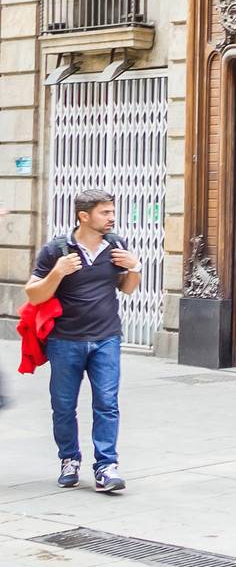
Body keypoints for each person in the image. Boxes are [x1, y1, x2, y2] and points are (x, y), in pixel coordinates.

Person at [25, 189, 142, 492]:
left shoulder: (115, 245)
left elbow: (127, 289)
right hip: (65, 340)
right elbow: (33, 293)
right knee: (63, 405)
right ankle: (69, 459)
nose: (112, 218)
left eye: (112, 211)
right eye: (105, 212)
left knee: (107, 403)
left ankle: (106, 466)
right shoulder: (57, 250)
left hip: (106, 338)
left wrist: (135, 267)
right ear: (84, 216)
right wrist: (57, 273)